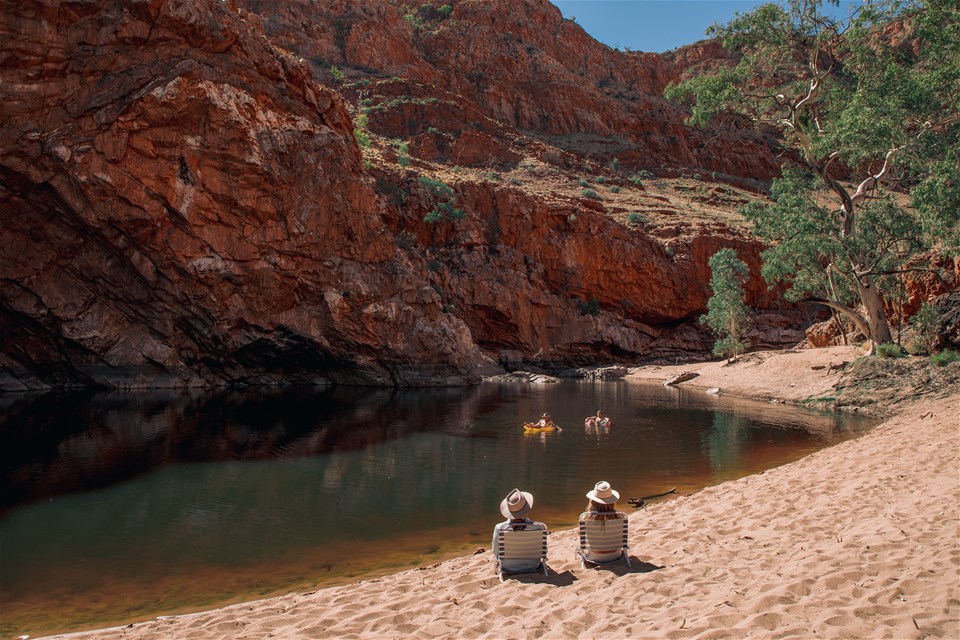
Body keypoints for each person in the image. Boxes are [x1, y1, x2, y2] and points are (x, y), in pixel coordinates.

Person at [492, 488, 547, 566]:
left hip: (507, 566)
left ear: (509, 510)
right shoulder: (539, 527)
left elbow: (495, 552)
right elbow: (544, 551)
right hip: (532, 566)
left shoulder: (500, 528)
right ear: (527, 508)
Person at [579, 480, 627, 563]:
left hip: (594, 556)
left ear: (592, 501)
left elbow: (580, 533)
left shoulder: (586, 518)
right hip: (615, 555)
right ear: (612, 501)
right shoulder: (621, 517)